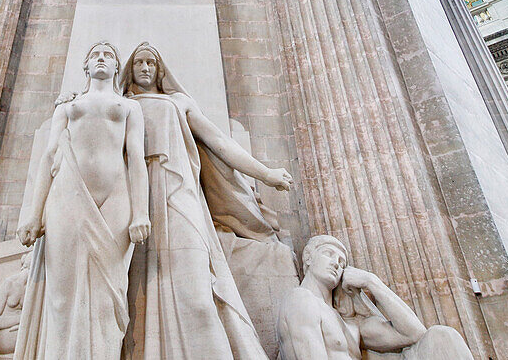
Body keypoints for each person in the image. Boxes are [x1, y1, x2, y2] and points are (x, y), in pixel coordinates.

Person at [119, 42, 293, 359]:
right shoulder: (119, 105)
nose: (145, 68)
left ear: (160, 70)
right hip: (132, 199)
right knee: (134, 290)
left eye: (151, 63)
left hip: (179, 194)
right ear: (129, 69)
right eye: (139, 63)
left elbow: (220, 143)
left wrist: (266, 174)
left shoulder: (179, 101)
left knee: (197, 285)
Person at [14, 41, 150, 360]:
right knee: (62, 294)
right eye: (95, 55)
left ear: (117, 67)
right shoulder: (67, 106)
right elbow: (49, 157)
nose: (101, 59)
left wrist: (141, 213)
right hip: (67, 196)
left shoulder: (130, 107)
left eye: (108, 56)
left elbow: (139, 159)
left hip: (116, 198)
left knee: (109, 294)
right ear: (85, 67)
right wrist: (34, 215)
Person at [277, 235, 473, 360]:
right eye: (328, 254)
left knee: (442, 337)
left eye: (341, 262)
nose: (336, 264)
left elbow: (413, 334)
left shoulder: (349, 323)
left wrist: (372, 282)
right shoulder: (301, 300)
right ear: (309, 258)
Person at [0, 252, 32, 355]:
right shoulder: (9, 284)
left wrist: (22, 325)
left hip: (19, 331)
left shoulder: (33, 289)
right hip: (3, 337)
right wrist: (21, 319)